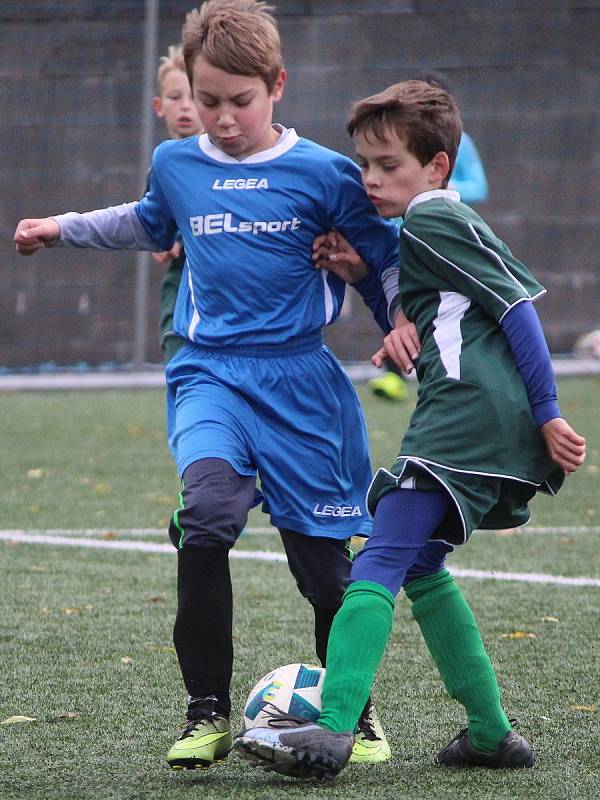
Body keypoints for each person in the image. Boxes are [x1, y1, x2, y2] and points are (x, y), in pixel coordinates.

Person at [13, 0, 421, 772]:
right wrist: (60, 227)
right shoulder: (178, 163)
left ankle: (353, 715)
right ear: (189, 94)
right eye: (208, 102)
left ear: (277, 87)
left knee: (323, 567)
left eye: (241, 101)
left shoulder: (326, 175)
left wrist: (398, 319)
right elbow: (148, 221)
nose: (224, 119)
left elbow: (383, 257)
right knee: (206, 514)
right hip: (211, 374)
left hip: (303, 385)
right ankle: (205, 711)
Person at [233, 79, 587, 779]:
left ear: (437, 167)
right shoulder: (433, 227)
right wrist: (371, 278)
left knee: (377, 561)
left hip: (464, 424)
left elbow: (516, 310)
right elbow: (450, 312)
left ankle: (331, 729)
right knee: (420, 563)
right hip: (480, 423)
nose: (370, 179)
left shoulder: (432, 219)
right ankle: (490, 735)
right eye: (363, 164)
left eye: (387, 165)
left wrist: (549, 413)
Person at [369, 69, 488, 402]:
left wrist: (431, 188)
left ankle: (443, 370)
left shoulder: (461, 144)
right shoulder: (394, 143)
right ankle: (394, 371)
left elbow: (479, 186)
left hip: (439, 238)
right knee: (400, 296)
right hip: (402, 237)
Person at [152, 44, 203, 362]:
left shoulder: (221, 157)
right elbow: (151, 220)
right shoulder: (160, 164)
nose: (185, 107)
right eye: (175, 97)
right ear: (159, 106)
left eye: (193, 97)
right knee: (177, 355)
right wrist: (158, 239)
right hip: (179, 280)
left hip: (218, 281)